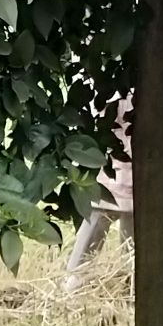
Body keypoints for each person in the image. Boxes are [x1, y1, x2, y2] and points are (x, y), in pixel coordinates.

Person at [63, 97, 134, 284]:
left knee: (133, 233)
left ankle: (131, 288)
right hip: (113, 161)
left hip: (134, 165)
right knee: (100, 214)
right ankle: (74, 283)